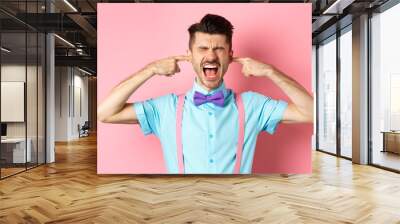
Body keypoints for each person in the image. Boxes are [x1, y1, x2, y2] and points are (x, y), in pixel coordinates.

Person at [98, 14, 313, 174]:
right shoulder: (165, 109)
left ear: (230, 55)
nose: (211, 56)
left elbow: (310, 113)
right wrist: (150, 69)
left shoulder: (253, 106)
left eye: (219, 49)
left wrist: (270, 71)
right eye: (202, 49)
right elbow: (105, 113)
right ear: (189, 55)